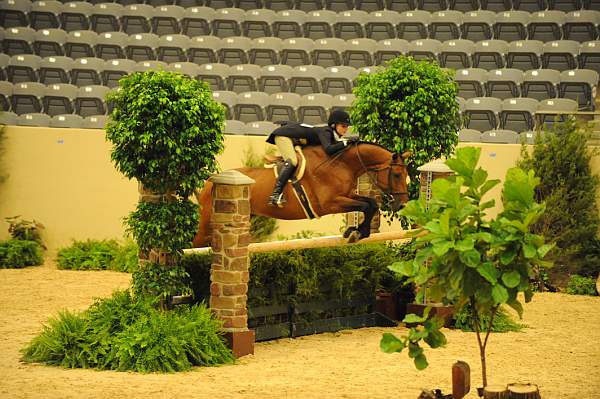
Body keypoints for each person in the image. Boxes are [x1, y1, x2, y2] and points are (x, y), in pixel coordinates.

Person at [265, 109, 358, 207]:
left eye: (347, 126)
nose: (346, 129)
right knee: (293, 161)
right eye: (343, 126)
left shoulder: (330, 134)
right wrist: (346, 142)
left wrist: (347, 142)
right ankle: (275, 195)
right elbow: (329, 149)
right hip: (283, 136)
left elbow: (336, 145)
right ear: (333, 125)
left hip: (295, 139)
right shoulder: (326, 132)